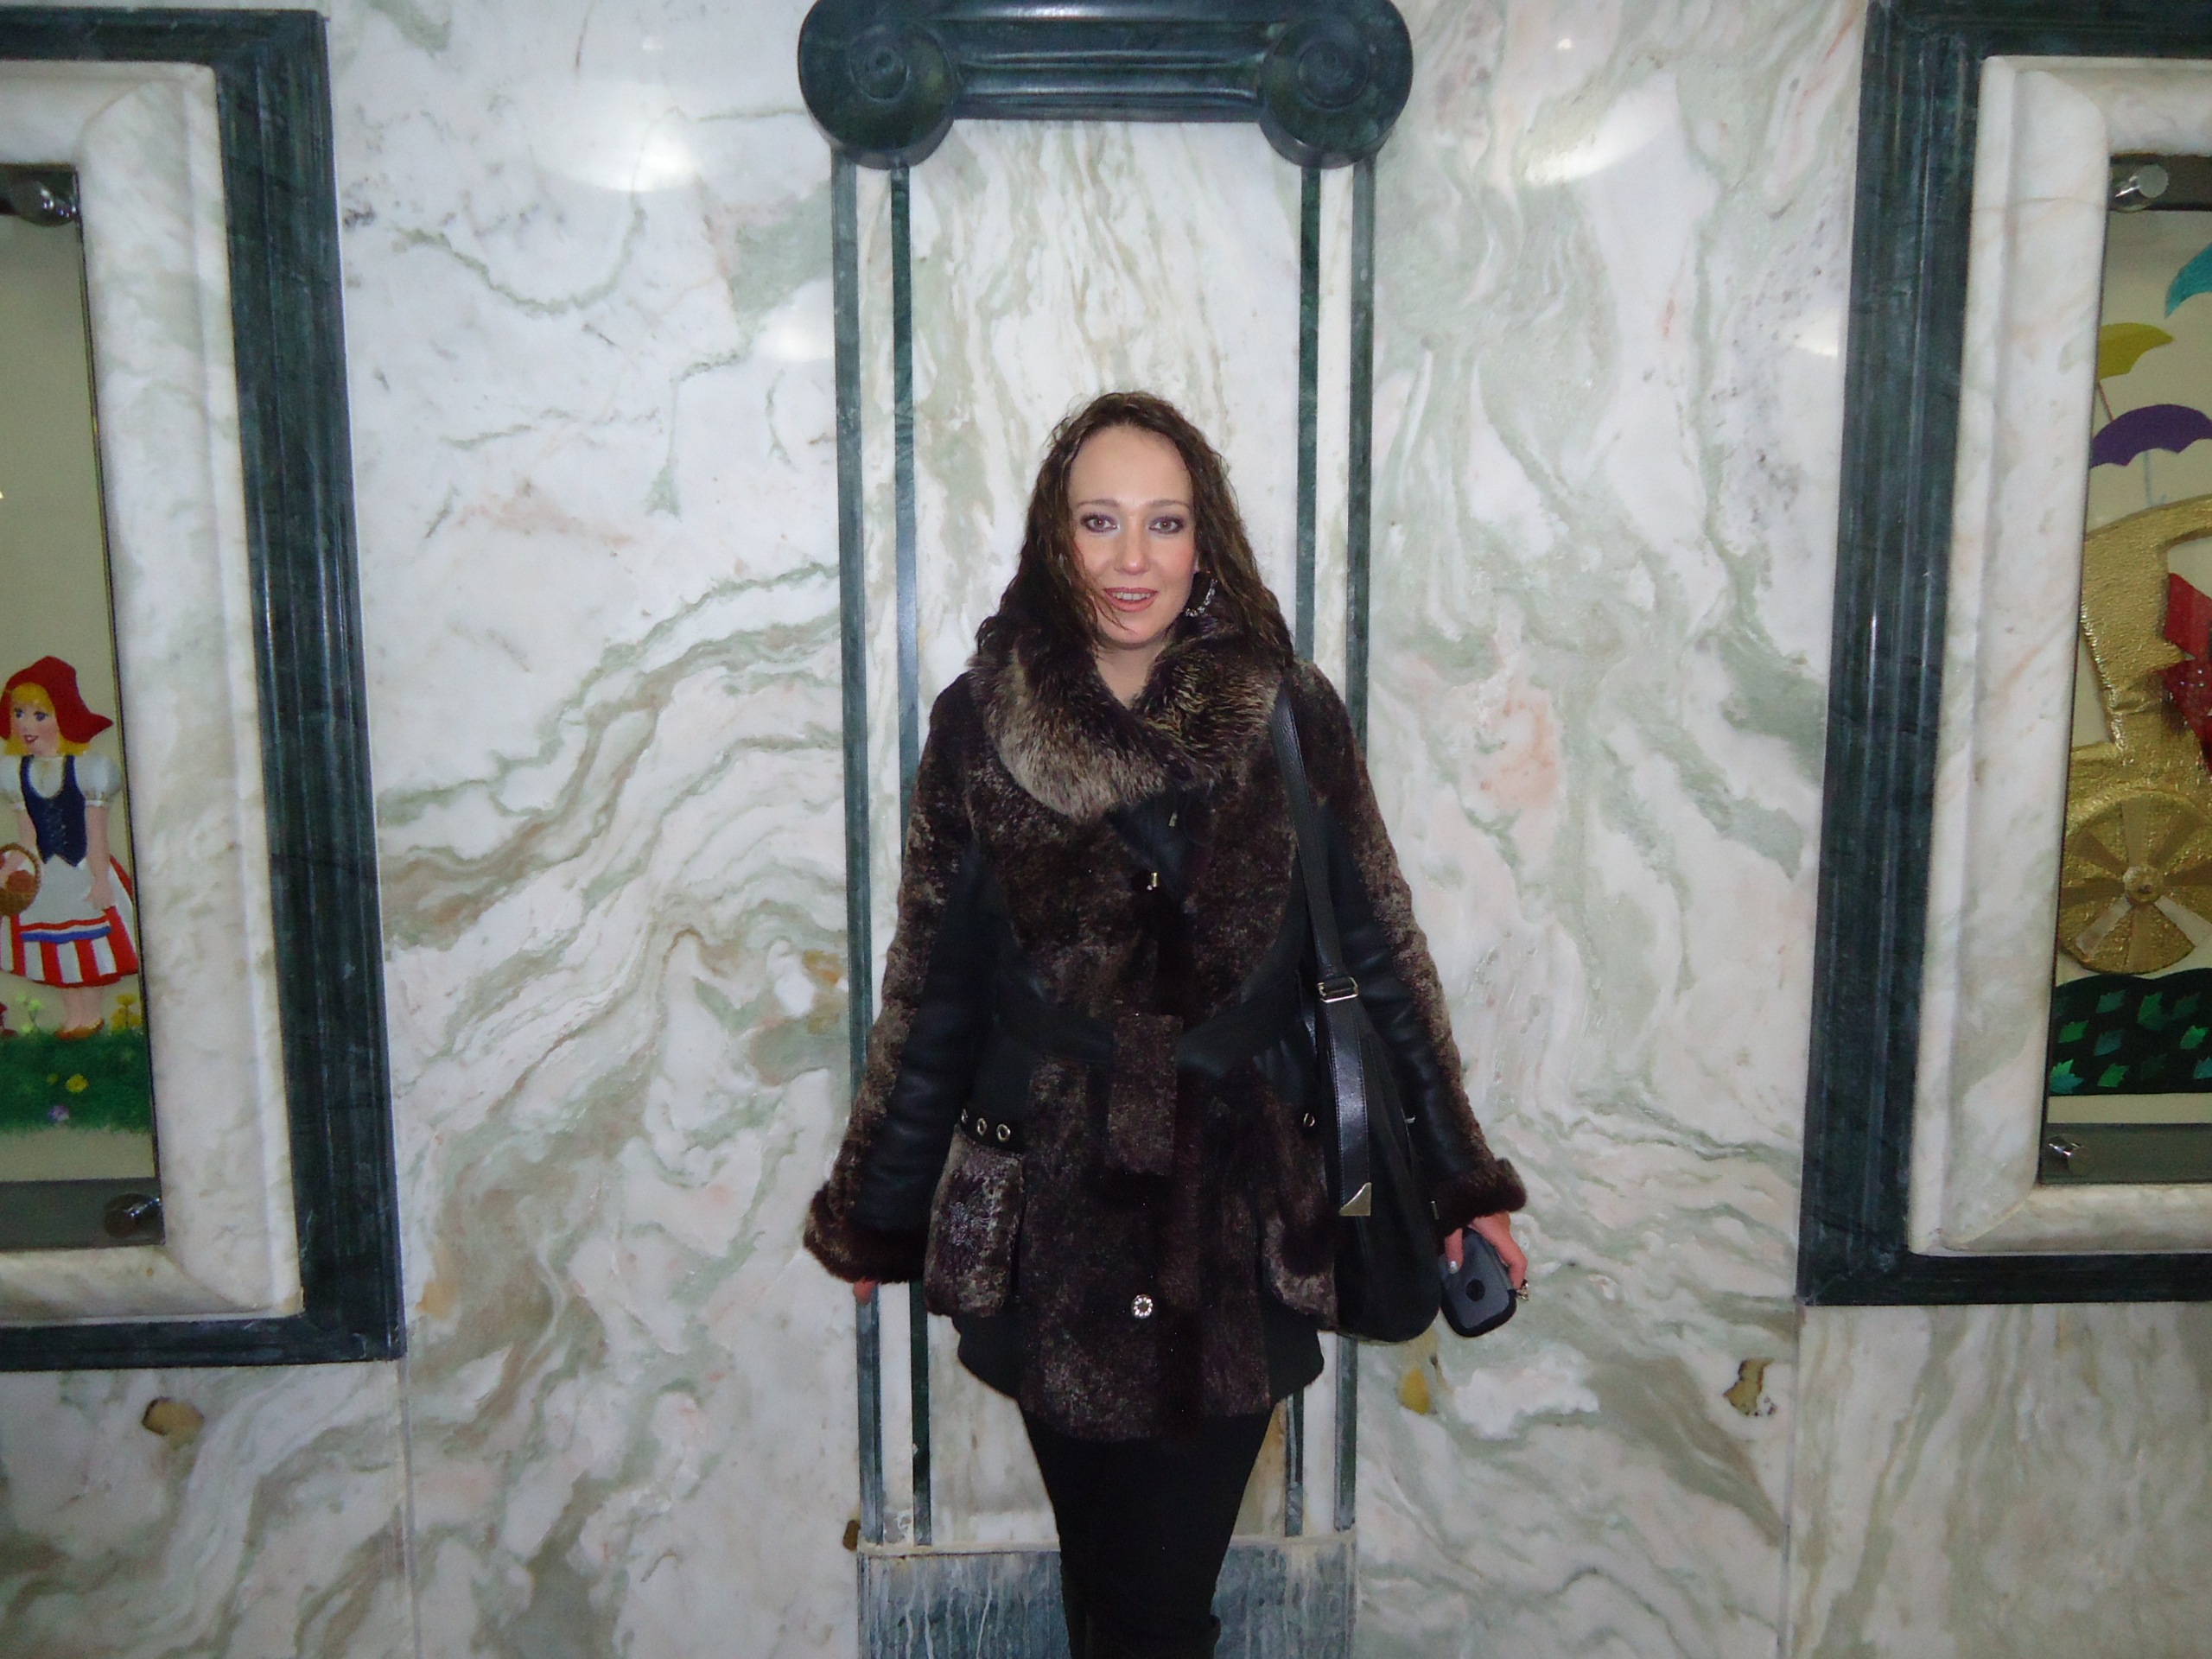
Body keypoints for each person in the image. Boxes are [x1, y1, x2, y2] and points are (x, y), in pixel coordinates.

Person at [805, 391, 1525, 1659]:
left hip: (1240, 1216)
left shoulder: (1287, 712)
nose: (1131, 559)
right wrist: (880, 1205)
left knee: (1151, 1612)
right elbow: (934, 988)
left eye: (1164, 522)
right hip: (1047, 1221)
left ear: (1206, 541)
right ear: (1055, 535)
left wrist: (1463, 1179)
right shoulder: (980, 724)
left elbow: (1377, 956)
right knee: (1107, 1591)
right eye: (1100, 521)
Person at [0, 656, 139, 1037]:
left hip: (80, 868)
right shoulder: (16, 773)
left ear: (63, 717)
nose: (26, 725)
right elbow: (27, 836)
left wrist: (101, 880)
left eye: (39, 715)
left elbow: (96, 835)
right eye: (19, 713)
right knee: (56, 947)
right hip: (45, 873)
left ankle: (91, 1014)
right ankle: (73, 1015)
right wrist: (11, 868)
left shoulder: (89, 770)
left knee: (88, 944)